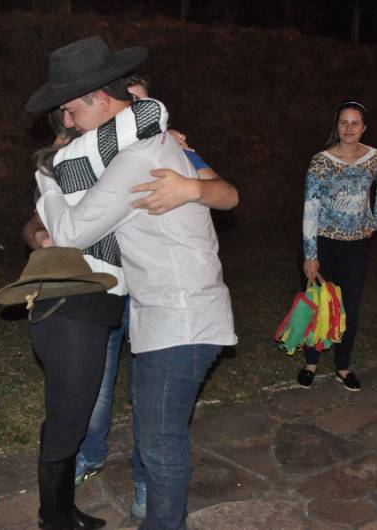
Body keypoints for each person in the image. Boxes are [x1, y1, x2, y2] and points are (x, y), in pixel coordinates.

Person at [28, 36, 238, 530]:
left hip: (179, 315)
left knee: (161, 445)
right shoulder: (139, 146)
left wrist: (46, 178)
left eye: (74, 111)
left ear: (101, 100)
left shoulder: (136, 157)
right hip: (167, 315)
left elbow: (72, 231)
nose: (70, 123)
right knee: (156, 437)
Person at [300, 99, 377, 391]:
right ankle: (311, 363)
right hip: (324, 245)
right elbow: (310, 208)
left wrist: (374, 221)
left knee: (349, 309)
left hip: (356, 247)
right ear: (337, 126)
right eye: (344, 122)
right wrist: (310, 255)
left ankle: (342, 366)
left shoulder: (375, 158)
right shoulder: (321, 161)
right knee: (318, 304)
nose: (349, 128)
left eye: (355, 123)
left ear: (364, 128)